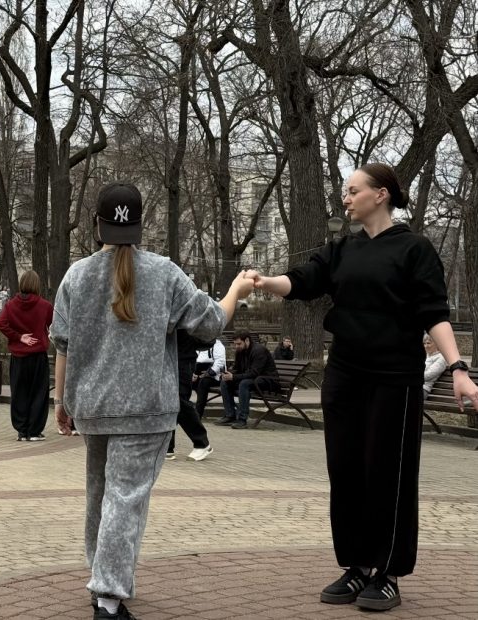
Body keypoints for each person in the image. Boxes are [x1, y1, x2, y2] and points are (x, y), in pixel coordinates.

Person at [247, 163, 478, 612]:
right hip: (345, 375)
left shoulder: (415, 249)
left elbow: (434, 313)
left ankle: (387, 572)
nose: (346, 198)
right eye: (345, 192)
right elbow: (303, 281)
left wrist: (460, 368)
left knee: (387, 474)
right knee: (347, 470)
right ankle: (355, 566)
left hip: (394, 377)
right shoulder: (340, 250)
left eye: (353, 191)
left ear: (382, 194)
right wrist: (263, 281)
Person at [50, 181, 253, 620]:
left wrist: (61, 401)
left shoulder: (76, 275)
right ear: (140, 227)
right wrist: (237, 289)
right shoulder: (164, 273)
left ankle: (101, 578)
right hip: (146, 407)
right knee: (126, 499)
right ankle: (107, 597)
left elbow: (62, 344)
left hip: (93, 404)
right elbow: (211, 323)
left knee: (100, 495)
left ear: (96, 225)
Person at [0, 270, 54, 442]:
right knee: (38, 393)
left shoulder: (10, 305)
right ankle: (35, 430)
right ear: (37, 285)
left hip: (18, 356)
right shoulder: (45, 306)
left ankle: (21, 431)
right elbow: (54, 326)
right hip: (38, 356)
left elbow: (1, 324)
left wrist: (18, 336)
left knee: (19, 393)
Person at [164, 331, 219, 462]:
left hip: (183, 359)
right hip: (171, 357)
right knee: (169, 401)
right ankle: (167, 447)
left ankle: (202, 442)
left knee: (178, 401)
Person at [216, 330, 278, 429]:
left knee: (244, 384)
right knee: (225, 382)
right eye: (235, 344)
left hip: (267, 380)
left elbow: (254, 373)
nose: (236, 346)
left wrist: (234, 377)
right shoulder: (240, 351)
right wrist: (229, 374)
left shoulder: (259, 351)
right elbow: (237, 369)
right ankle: (230, 415)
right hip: (254, 379)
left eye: (239, 344)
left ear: (247, 340)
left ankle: (242, 419)